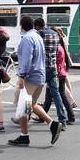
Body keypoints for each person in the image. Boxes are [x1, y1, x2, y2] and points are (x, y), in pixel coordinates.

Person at [8, 16, 62, 147]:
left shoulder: (27, 38)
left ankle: (25, 136)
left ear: (22, 26)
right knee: (31, 104)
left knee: (22, 107)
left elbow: (26, 59)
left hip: (30, 77)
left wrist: (21, 76)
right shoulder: (37, 36)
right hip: (40, 75)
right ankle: (52, 124)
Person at [34, 17, 67, 127]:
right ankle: (63, 120)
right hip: (53, 67)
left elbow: (37, 50)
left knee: (30, 96)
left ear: (37, 26)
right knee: (56, 95)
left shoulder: (40, 34)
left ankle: (25, 116)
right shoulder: (54, 33)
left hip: (42, 69)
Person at [42, 28, 75, 125]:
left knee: (59, 96)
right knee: (49, 97)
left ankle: (69, 117)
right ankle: (42, 116)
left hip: (58, 74)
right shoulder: (61, 46)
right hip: (61, 73)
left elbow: (53, 61)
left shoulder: (57, 48)